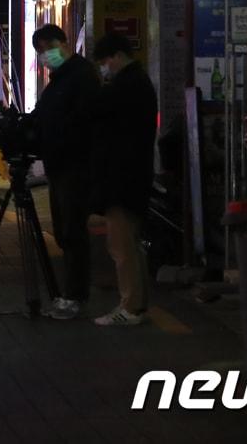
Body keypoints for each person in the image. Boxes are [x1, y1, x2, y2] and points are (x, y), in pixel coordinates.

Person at [29, 24, 103, 320]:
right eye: (41, 51)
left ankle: (75, 295)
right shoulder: (58, 80)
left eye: (49, 47)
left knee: (72, 231)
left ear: (64, 43)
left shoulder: (82, 76)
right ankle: (70, 294)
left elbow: (82, 121)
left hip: (76, 165)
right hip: (59, 166)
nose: (46, 55)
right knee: (63, 231)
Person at [90, 33, 158, 326]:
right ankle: (136, 304)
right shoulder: (138, 82)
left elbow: (98, 113)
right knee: (130, 243)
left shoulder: (126, 86)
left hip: (123, 177)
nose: (104, 68)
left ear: (116, 56)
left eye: (104, 62)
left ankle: (130, 306)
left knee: (121, 246)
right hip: (134, 174)